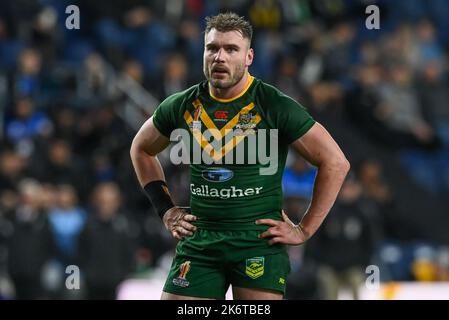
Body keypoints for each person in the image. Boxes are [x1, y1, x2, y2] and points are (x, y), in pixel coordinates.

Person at [130, 12, 349, 300]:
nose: (220, 57)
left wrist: (304, 230)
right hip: (200, 240)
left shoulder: (274, 104)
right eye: (212, 48)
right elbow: (141, 149)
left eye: (231, 49)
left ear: (249, 57)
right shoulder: (182, 104)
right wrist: (166, 209)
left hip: (257, 242)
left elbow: (335, 162)